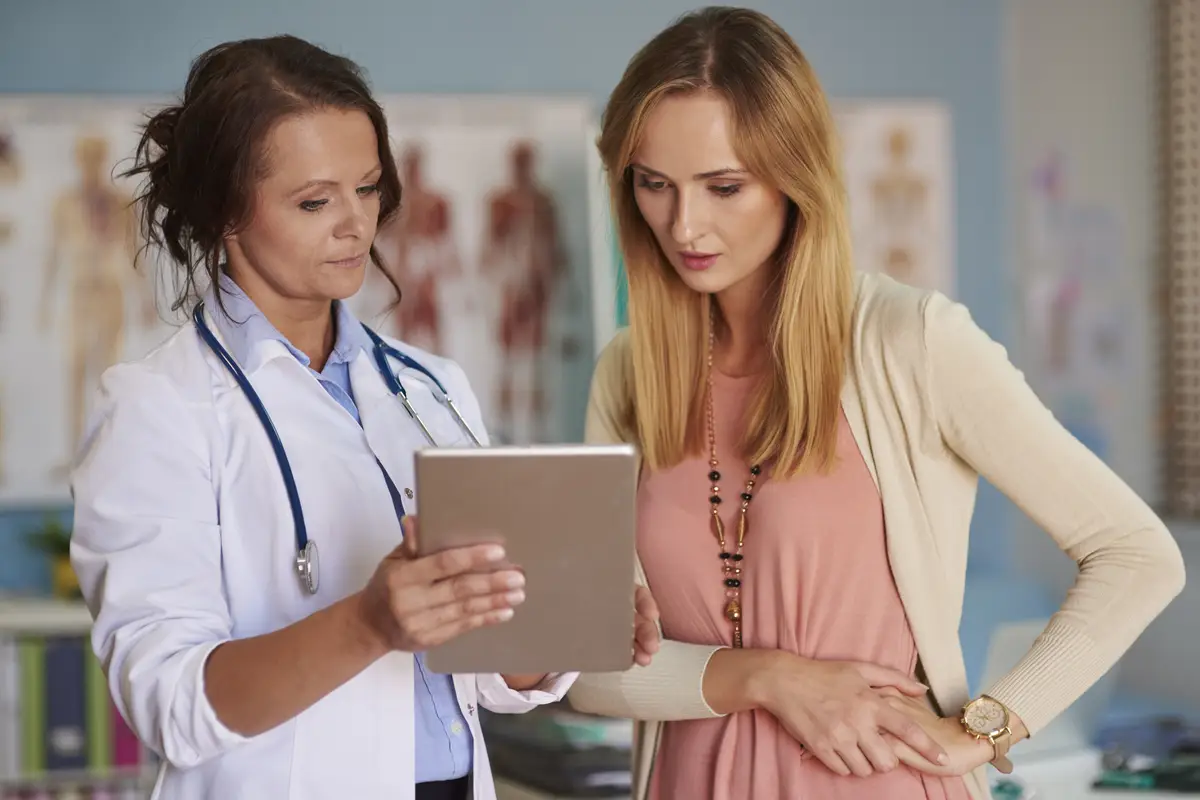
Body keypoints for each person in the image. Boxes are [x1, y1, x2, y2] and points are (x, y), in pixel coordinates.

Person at [566, 7, 1185, 800]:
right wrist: (768, 677)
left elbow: (1137, 555)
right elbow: (587, 670)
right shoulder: (627, 374)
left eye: (724, 186)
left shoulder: (911, 343)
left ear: (795, 177)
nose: (684, 224)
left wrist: (990, 725)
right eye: (654, 185)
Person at [68, 36, 659, 800]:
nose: (356, 223)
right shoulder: (158, 408)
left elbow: (483, 676)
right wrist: (368, 626)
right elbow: (172, 707)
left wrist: (560, 616)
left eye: (369, 187)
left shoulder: (431, 389)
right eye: (315, 201)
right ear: (224, 213)